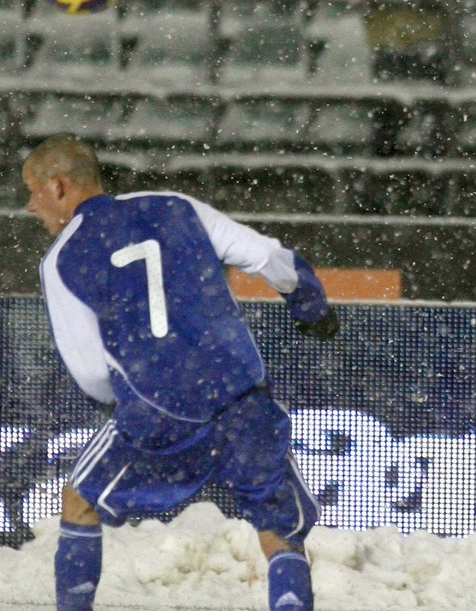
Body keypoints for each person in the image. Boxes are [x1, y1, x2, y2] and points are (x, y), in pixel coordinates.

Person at [22, 134, 340, 611]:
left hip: (159, 405)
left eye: (32, 191)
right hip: (239, 389)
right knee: (278, 532)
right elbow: (268, 256)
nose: (30, 206)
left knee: (80, 501)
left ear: (60, 186)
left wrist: (139, 398)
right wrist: (310, 306)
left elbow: (90, 374)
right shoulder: (174, 205)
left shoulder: (61, 259)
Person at [335, 0, 474, 155]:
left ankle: (431, 172)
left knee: (432, 117)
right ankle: (390, 174)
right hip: (388, 38)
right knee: (388, 117)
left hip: (430, 37)